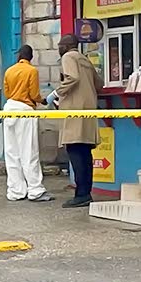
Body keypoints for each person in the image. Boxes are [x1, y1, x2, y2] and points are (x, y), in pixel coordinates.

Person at [55, 34, 104, 208]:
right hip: (88, 114)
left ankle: (81, 194)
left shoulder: (68, 57)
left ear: (67, 46)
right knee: (85, 155)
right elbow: (99, 84)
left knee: (75, 152)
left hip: (74, 113)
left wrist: (57, 93)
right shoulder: (85, 59)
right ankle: (86, 192)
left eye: (60, 45)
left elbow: (72, 77)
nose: (59, 48)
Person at [2, 45, 54, 202]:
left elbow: (7, 93)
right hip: (25, 110)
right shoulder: (32, 71)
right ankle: (35, 190)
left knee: (12, 153)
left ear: (19, 56)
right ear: (31, 57)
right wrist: (43, 100)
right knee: (29, 151)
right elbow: (33, 94)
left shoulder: (9, 71)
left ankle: (16, 191)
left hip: (9, 109)